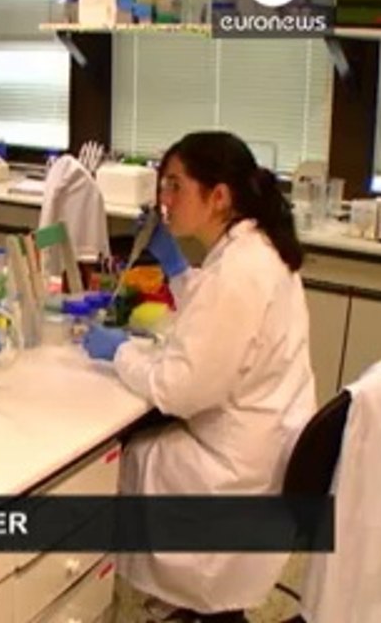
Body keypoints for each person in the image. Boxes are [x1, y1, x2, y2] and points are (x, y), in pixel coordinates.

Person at [81, 131, 317, 621]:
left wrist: (120, 350)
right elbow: (222, 324)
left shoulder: (240, 270)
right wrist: (178, 270)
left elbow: (178, 390)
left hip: (232, 468)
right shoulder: (254, 248)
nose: (162, 201)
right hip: (264, 442)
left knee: (110, 463)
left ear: (219, 197)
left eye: (174, 187)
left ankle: (98, 595)